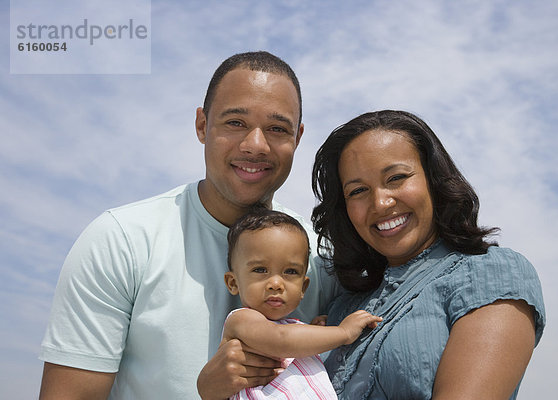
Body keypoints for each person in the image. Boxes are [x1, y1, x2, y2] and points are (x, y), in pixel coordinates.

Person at [38, 51, 340, 399]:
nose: (255, 145)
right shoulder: (121, 241)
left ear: (297, 138)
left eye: (276, 128)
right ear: (202, 125)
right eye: (235, 122)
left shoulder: (321, 259)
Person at [311, 110, 546, 399]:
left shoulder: (493, 275)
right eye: (358, 190)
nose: (381, 203)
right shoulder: (340, 306)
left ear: (433, 180)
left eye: (396, 177)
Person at [222, 206, 381, 399]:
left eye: (290, 272)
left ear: (303, 288)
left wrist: (314, 332)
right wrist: (343, 332)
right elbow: (281, 340)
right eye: (260, 270)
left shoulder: (292, 328)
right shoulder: (241, 320)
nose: (275, 284)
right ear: (233, 283)